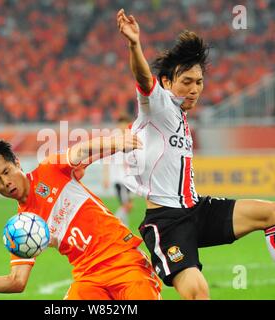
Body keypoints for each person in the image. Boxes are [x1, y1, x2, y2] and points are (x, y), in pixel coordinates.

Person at [117, 8, 275, 300]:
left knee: (271, 214)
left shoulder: (180, 117)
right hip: (167, 222)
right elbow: (143, 78)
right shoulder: (159, 105)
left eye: (198, 82)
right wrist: (134, 44)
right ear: (166, 83)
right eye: (186, 81)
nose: (194, 89)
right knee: (198, 293)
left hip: (197, 210)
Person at [0, 134, 162, 300]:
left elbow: (80, 150)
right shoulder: (22, 227)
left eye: (7, 171)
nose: (6, 182)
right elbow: (16, 281)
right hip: (88, 278)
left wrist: (115, 141)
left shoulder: (50, 170)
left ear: (17, 163)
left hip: (124, 261)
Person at [103, 115, 134, 227]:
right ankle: (115, 223)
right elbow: (106, 159)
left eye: (125, 124)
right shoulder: (114, 139)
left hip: (128, 178)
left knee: (128, 205)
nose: (123, 126)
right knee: (127, 205)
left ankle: (123, 226)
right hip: (119, 179)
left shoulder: (130, 137)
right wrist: (106, 177)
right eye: (121, 124)